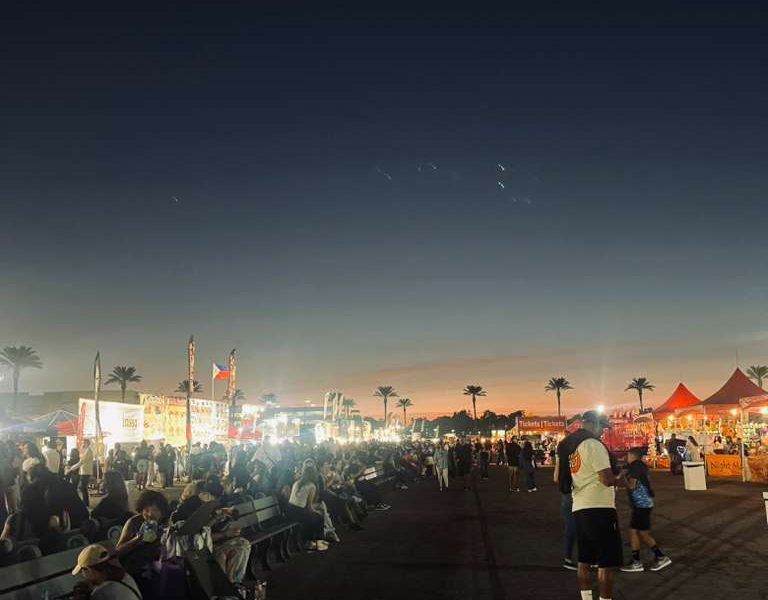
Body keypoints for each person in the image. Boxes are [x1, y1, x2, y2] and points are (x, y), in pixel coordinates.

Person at [558, 410, 622, 600]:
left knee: (584, 560)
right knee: (606, 563)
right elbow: (606, 479)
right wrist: (624, 481)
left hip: (580, 507)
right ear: (592, 424)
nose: (603, 431)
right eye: (602, 427)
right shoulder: (593, 445)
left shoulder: (572, 447)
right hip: (600, 508)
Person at [620, 448, 671, 573]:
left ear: (632, 455)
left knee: (642, 533)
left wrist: (623, 479)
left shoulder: (636, 467)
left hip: (642, 504)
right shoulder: (639, 466)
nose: (626, 457)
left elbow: (632, 485)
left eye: (628, 455)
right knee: (635, 532)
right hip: (643, 504)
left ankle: (659, 556)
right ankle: (637, 560)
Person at [115, 490, 170, 598]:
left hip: (157, 568)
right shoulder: (134, 522)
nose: (150, 514)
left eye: (155, 510)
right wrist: (136, 540)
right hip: (136, 570)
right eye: (146, 510)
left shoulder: (164, 523)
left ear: (162, 511)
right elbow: (118, 551)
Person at [72, 543, 142, 600]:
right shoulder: (126, 577)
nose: (83, 576)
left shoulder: (101, 592)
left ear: (89, 570)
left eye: (82, 571)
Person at [285, 465, 328, 551]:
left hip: (289, 510)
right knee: (319, 518)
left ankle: (313, 542)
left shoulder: (297, 482)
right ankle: (315, 543)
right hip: (298, 511)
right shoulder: (311, 486)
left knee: (312, 517)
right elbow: (309, 507)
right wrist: (317, 512)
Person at [553, 445, 577, 571]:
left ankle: (568, 558)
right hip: (577, 494)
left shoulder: (560, 460)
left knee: (570, 527)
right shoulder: (577, 459)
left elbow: (555, 478)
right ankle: (591, 558)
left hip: (566, 493)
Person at [65, 438, 94, 507]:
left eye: (83, 442)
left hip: (85, 472)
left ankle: (85, 503)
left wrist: (70, 469)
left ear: (86, 443)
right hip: (83, 471)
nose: (82, 444)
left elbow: (81, 462)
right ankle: (85, 502)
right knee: (83, 488)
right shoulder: (86, 450)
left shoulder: (88, 451)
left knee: (82, 487)